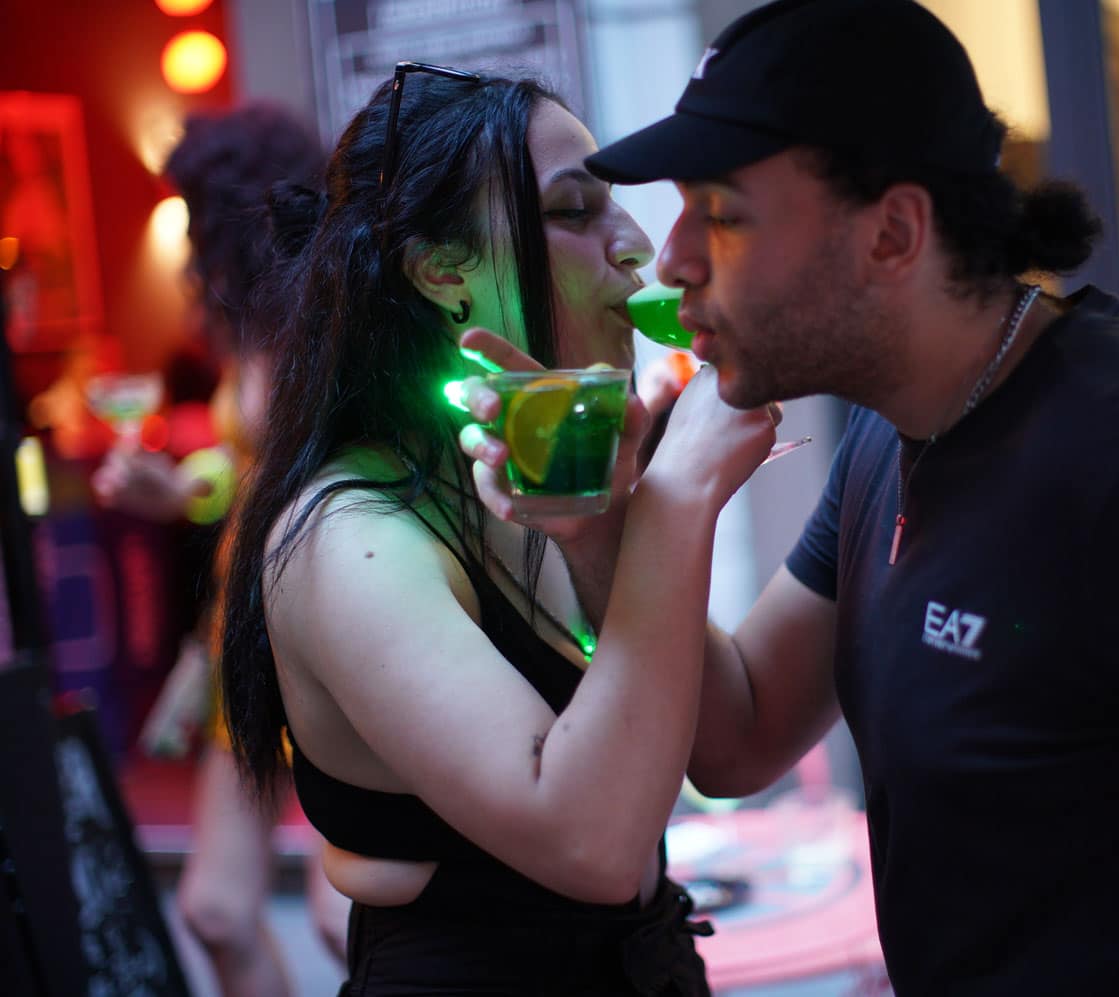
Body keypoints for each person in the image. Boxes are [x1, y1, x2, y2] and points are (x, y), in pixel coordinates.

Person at [463, 1, 1119, 993]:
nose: (673, 258)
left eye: (721, 214)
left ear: (893, 233)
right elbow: (740, 735)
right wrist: (600, 532)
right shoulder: (893, 427)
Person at [215, 63, 776, 996]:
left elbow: (719, 742)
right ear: (442, 270)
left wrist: (626, 520)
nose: (638, 246)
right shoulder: (351, 537)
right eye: (575, 210)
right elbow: (592, 843)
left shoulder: (536, 479)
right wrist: (677, 496)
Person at [91, 103, 349, 997]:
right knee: (215, 908)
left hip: (328, 624)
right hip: (244, 637)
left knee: (348, 917)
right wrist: (181, 489)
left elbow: (320, 464)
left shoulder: (327, 309)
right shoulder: (249, 320)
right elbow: (247, 463)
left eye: (200, 212)